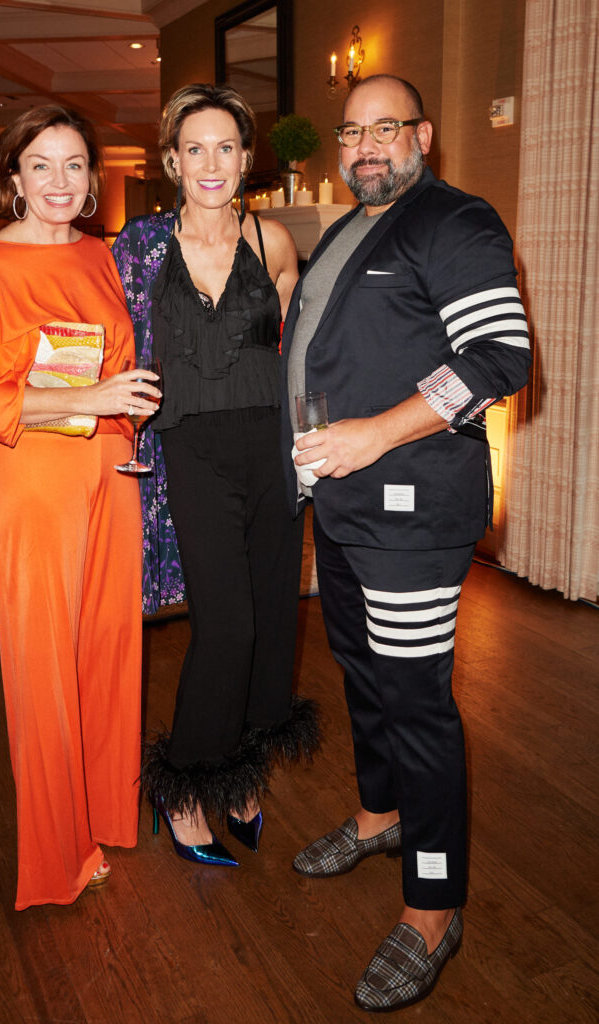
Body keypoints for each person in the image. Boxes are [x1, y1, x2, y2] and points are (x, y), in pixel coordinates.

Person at [282, 75, 531, 1011]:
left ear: (423, 133)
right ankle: (382, 815)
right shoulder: (350, 227)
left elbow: (499, 360)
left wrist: (372, 434)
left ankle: (433, 905)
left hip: (411, 511)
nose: (365, 146)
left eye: (385, 128)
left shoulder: (456, 221)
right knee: (364, 674)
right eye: (352, 133)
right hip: (344, 507)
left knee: (418, 702)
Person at [0, 105, 160, 911]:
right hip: (33, 477)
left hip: (110, 466)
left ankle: (103, 813)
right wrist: (100, 390)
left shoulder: (102, 256)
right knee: (44, 660)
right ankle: (57, 851)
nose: (62, 181)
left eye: (76, 165)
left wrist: (127, 400)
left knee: (107, 647)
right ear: (14, 178)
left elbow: (118, 356)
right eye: (43, 165)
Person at [112, 83, 320, 868]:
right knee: (225, 625)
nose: (210, 163)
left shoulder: (273, 244)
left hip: (267, 447)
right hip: (189, 453)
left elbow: (296, 355)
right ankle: (186, 785)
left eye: (225, 147)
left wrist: (315, 442)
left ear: (245, 158)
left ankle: (239, 772)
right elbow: (101, 337)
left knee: (269, 621)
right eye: (193, 148)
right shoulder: (136, 246)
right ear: (171, 159)